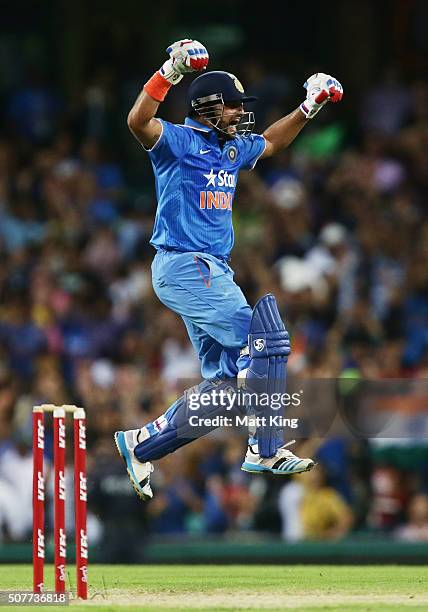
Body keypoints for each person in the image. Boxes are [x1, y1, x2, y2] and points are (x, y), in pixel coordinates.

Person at [115, 39, 343, 500]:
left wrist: (308, 106)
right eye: (234, 107)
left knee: (228, 388)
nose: (241, 114)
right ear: (208, 107)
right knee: (266, 340)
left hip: (210, 269)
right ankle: (264, 448)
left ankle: (141, 445)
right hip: (183, 263)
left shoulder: (231, 149)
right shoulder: (178, 140)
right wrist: (170, 71)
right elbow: (137, 121)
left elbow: (273, 141)